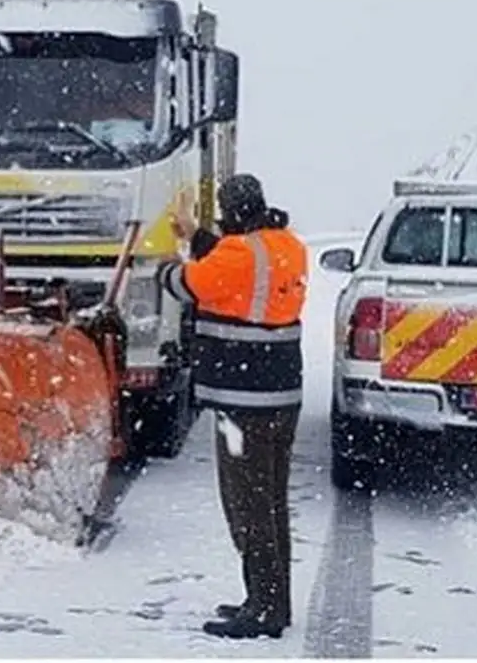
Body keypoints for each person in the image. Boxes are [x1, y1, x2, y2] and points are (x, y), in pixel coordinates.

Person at [156, 173, 308, 640]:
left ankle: (263, 610)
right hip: (280, 399)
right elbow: (234, 271)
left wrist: (167, 259)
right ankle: (269, 598)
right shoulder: (286, 245)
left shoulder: (238, 253)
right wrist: (198, 236)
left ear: (233, 212)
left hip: (244, 406)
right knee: (271, 502)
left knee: (247, 505)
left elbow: (186, 284)